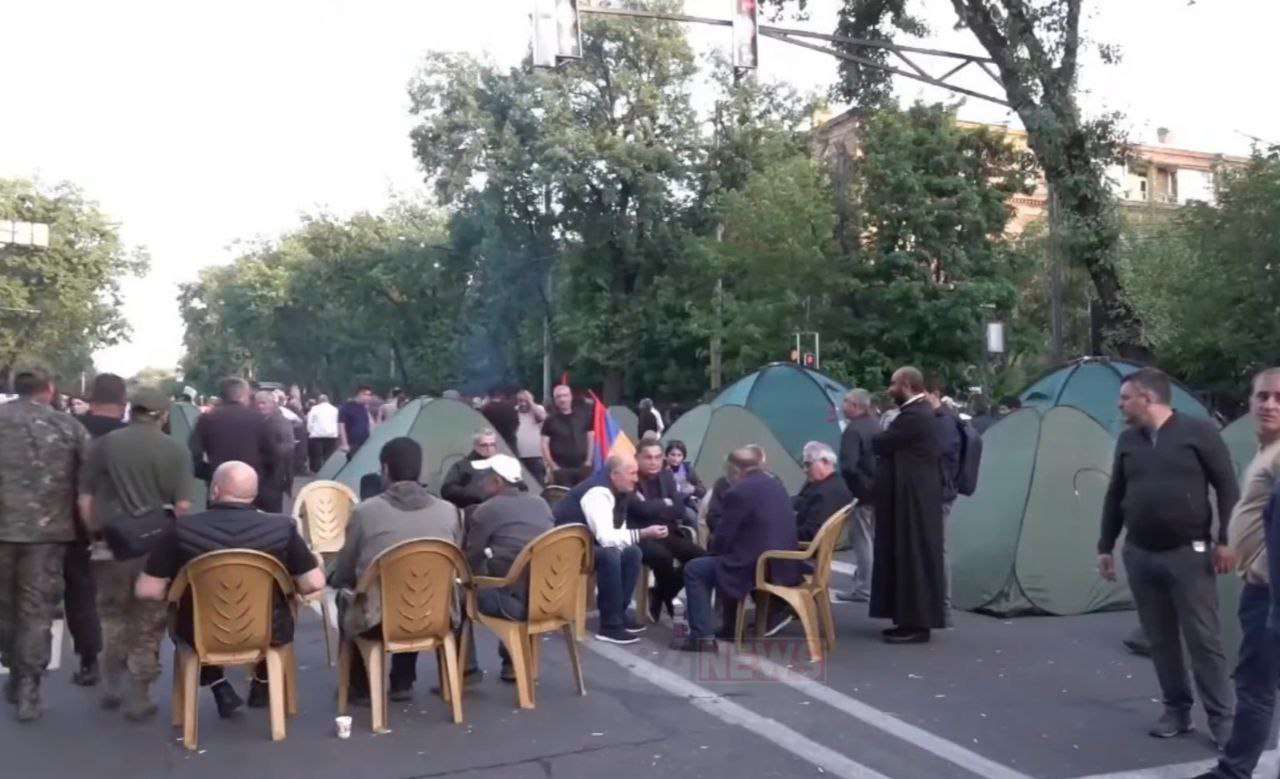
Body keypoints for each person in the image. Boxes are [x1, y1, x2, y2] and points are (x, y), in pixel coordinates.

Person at [1097, 367, 1238, 745]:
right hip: (1141, 555)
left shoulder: (1199, 432)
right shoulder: (1128, 439)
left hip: (1189, 556)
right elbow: (1115, 494)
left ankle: (1223, 718)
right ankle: (1177, 711)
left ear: (1149, 397)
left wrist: (1226, 538)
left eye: (1126, 397)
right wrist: (1104, 545)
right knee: (1160, 640)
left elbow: (1227, 485)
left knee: (1204, 641)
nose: (1120, 404)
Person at [135, 462, 324, 719]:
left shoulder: (180, 530)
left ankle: (217, 684)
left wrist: (178, 588)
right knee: (277, 606)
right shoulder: (283, 528)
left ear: (214, 491)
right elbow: (313, 583)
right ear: (254, 495)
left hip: (198, 632)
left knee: (192, 614)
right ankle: (263, 679)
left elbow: (147, 590)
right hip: (268, 631)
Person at [77, 386, 193, 721]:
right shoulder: (175, 450)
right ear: (163, 415)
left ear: (133, 410)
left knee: (113, 616)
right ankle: (139, 694)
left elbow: (85, 500)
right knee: (148, 619)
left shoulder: (103, 446)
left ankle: (112, 683)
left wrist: (95, 534)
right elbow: (183, 507)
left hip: (112, 545)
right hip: (156, 547)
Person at [328, 438, 473, 702]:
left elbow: (345, 573)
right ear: (420, 470)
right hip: (436, 616)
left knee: (351, 597)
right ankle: (403, 679)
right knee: (418, 587)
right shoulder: (450, 512)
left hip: (377, 621)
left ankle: (360, 687)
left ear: (385, 469)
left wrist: (335, 577)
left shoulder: (365, 513)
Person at [1195, 368, 1280, 779]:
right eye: (1262, 396)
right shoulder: (1267, 449)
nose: (1269, 404)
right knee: (1257, 683)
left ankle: (1234, 771)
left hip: (1271, 593)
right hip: (1260, 589)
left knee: (1256, 687)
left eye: (1279, 398)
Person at [0, 368, 91, 721]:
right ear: (50, 389)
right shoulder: (68, 427)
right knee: (35, 611)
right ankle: (29, 688)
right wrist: (92, 530)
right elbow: (88, 483)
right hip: (48, 536)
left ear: (13, 387)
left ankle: (13, 663)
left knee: (4, 609)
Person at [672, 446, 804, 653]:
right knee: (722, 560)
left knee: (696, 569)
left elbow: (723, 536)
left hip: (758, 566)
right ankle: (729, 627)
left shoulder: (739, 491)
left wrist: (712, 550)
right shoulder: (775, 484)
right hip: (784, 563)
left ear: (734, 469)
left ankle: (702, 637)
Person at [551, 453, 666, 644]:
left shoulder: (620, 491)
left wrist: (636, 536)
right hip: (565, 548)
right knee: (610, 554)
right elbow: (606, 538)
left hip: (586, 543)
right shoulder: (598, 492)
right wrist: (643, 533)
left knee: (632, 552)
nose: (636, 479)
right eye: (632, 473)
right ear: (614, 474)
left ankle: (617, 614)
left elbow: (616, 532)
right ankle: (609, 626)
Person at [870, 366, 946, 645]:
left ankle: (916, 623)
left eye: (893, 385)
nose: (889, 390)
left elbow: (881, 442)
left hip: (915, 501)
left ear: (906, 384)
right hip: (913, 499)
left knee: (913, 559)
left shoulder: (915, 416)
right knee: (908, 558)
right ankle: (908, 619)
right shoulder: (919, 414)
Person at [64, 372, 131, 688]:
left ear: (91, 398)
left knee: (81, 592)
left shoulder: (71, 430)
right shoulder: (130, 435)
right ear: (123, 402)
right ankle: (124, 657)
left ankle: (89, 659)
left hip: (77, 523)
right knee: (124, 595)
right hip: (125, 525)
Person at [464, 453, 554, 683]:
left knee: (459, 592)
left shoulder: (486, 510)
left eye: (484, 477)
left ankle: (466, 670)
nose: (479, 482)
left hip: (515, 601)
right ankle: (512, 662)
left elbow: (470, 560)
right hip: (550, 597)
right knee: (512, 578)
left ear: (498, 482)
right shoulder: (541, 503)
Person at [629, 440, 705, 623]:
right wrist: (664, 502)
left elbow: (679, 509)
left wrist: (655, 505)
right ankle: (669, 600)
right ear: (637, 458)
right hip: (642, 533)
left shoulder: (666, 476)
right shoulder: (631, 477)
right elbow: (639, 510)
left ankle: (662, 593)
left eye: (657, 457)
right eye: (648, 457)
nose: (653, 462)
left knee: (701, 558)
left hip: (668, 531)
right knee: (663, 558)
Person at [189, 377, 277, 511]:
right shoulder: (259, 419)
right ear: (243, 395)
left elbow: (192, 457)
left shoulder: (206, 420)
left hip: (219, 490)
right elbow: (273, 455)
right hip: (252, 490)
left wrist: (212, 473)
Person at [837, 388, 879, 603]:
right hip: (879, 490)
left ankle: (864, 587)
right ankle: (871, 582)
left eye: (846, 402)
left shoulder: (853, 431)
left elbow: (849, 467)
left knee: (862, 541)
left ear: (856, 406)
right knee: (873, 539)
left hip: (862, 494)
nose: (842, 406)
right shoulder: (875, 425)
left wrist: (857, 492)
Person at [926, 374, 963, 621]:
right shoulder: (946, 419)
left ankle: (943, 606)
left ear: (935, 394)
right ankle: (940, 605)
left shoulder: (943, 422)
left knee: (938, 549)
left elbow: (936, 455)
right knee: (937, 548)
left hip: (940, 492)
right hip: (943, 490)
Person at [794, 441, 853, 543]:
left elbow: (810, 533)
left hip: (801, 548)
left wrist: (780, 531)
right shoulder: (832, 484)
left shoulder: (826, 493)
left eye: (808, 464)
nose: (804, 470)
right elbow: (801, 500)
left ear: (825, 462)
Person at [541, 384, 593, 487]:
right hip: (561, 469)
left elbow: (591, 438)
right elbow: (544, 444)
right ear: (555, 400)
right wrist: (553, 466)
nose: (562, 399)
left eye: (565, 395)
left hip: (582, 467)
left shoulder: (584, 416)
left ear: (571, 397)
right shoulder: (550, 420)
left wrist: (589, 461)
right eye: (558, 396)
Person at [440, 428, 503, 510]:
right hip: (473, 512)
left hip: (500, 511)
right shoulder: (462, 467)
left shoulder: (503, 465)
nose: (489, 449)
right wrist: (477, 494)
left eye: (492, 445)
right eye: (484, 445)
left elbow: (520, 487)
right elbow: (447, 490)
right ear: (475, 446)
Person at [254, 390, 296, 513]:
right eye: (257, 403)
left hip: (274, 473)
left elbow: (288, 447)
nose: (260, 406)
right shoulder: (259, 420)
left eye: (263, 403)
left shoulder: (281, 421)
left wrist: (271, 451)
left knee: (272, 512)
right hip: (261, 474)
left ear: (273, 403)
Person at [514, 390, 548, 483]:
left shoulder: (538, 409)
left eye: (526, 401)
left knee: (537, 483)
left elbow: (543, 419)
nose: (523, 403)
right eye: (520, 400)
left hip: (536, 456)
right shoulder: (514, 411)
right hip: (518, 456)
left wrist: (531, 403)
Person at [338, 385, 375, 457]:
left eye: (370, 395)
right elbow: (341, 426)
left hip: (366, 443)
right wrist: (344, 444)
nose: (369, 397)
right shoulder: (346, 407)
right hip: (353, 444)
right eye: (368, 395)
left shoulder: (364, 408)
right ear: (360, 394)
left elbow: (369, 424)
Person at [306, 394, 339, 473]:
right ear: (328, 400)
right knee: (329, 456)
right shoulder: (335, 409)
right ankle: (329, 472)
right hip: (331, 436)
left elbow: (310, 422)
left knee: (317, 456)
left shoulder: (314, 409)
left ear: (319, 401)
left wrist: (310, 431)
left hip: (317, 436)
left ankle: (317, 473)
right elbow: (337, 422)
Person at [481, 387, 520, 453]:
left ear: (489, 396)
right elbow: (516, 423)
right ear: (501, 395)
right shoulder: (510, 407)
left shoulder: (486, 408)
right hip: (510, 441)